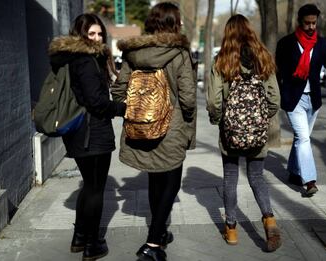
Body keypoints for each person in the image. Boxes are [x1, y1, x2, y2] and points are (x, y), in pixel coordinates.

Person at [111, 2, 196, 261]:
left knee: (154, 181)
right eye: (178, 20)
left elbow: (118, 90)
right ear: (173, 23)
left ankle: (158, 233)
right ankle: (152, 245)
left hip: (140, 129)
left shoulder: (133, 53)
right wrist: (186, 121)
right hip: (171, 128)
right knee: (171, 184)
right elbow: (189, 98)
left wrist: (138, 112)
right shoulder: (178, 53)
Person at [48, 13, 126, 260]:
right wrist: (122, 109)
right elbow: (96, 101)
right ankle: (93, 245)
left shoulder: (70, 58)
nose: (96, 38)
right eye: (91, 34)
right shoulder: (85, 61)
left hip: (79, 132)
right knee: (95, 189)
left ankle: (79, 238)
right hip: (93, 132)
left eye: (99, 33)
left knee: (88, 186)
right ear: (80, 35)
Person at [206, 14, 282, 252]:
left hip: (230, 133)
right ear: (250, 32)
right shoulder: (263, 58)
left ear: (227, 34)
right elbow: (275, 99)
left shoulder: (222, 61)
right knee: (257, 177)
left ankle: (231, 230)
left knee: (230, 179)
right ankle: (269, 221)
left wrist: (221, 120)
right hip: (258, 133)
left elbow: (213, 101)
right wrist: (260, 120)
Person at [276, 4, 326, 196]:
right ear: (300, 22)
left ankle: (293, 171)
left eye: (313, 23)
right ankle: (309, 181)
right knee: (304, 138)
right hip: (293, 99)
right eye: (307, 23)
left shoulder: (321, 44)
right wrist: (277, 94)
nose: (310, 27)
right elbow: (277, 71)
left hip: (313, 99)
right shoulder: (286, 43)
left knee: (301, 138)